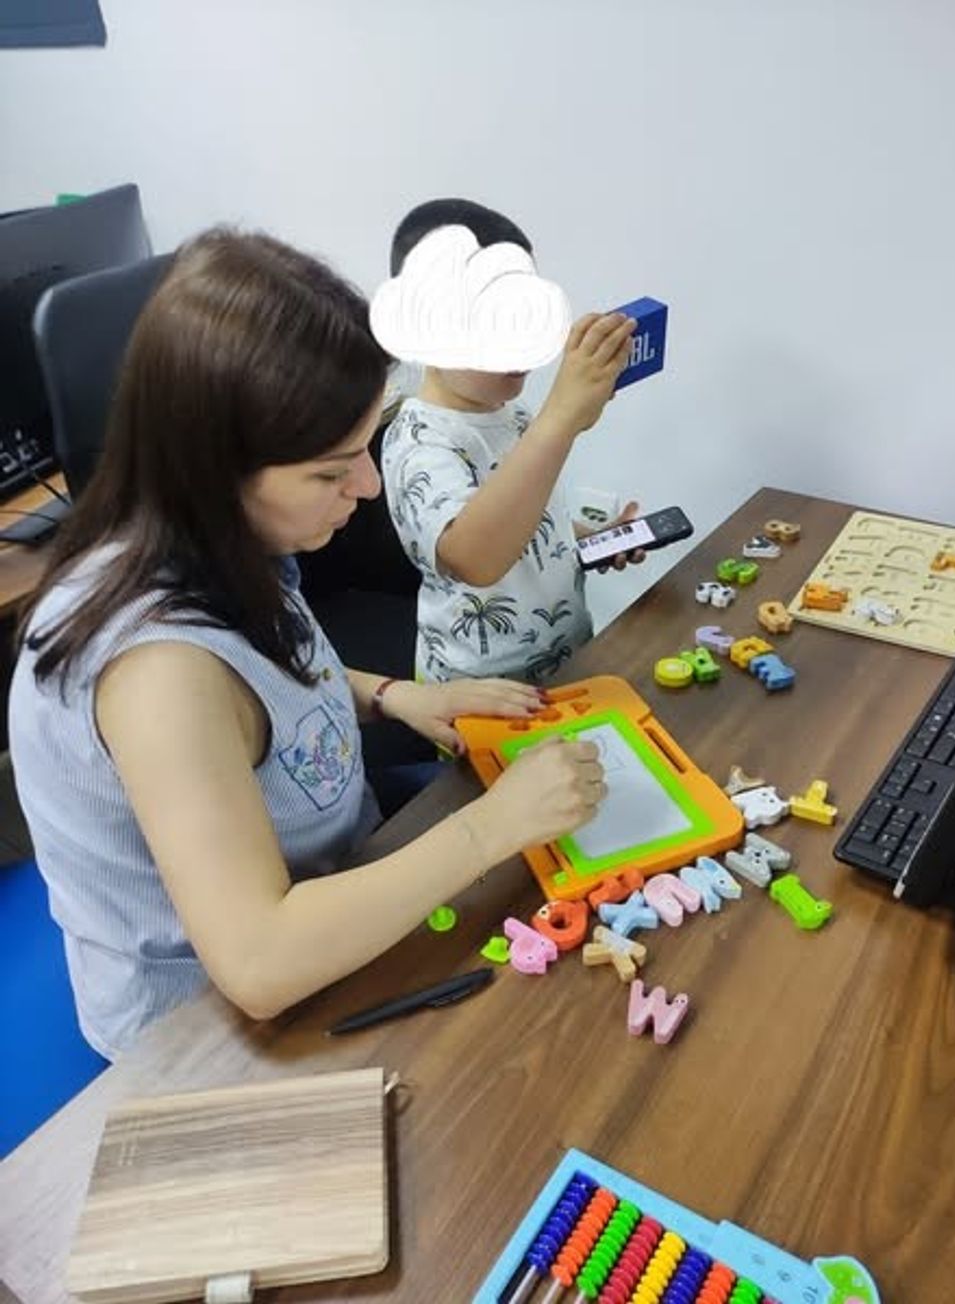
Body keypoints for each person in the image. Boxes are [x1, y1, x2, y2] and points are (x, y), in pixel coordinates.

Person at [8, 228, 606, 1060]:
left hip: (335, 869)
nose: (367, 486)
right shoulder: (158, 677)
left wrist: (394, 695)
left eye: (364, 451)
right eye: (333, 470)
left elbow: (261, 685)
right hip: (216, 1027)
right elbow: (259, 964)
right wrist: (494, 826)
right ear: (214, 469)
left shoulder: (224, 540)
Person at [381, 197, 644, 685]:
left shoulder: (514, 416)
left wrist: (592, 540)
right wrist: (559, 420)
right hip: (477, 690)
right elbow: (474, 557)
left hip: (566, 661)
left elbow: (530, 524)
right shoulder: (418, 442)